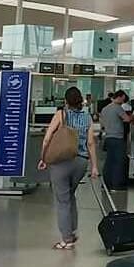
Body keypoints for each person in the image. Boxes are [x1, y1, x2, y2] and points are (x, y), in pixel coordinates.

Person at [41, 86, 99, 251]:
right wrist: (94, 166)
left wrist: (43, 158)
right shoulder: (87, 117)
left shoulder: (61, 114)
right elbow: (90, 143)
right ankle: (72, 231)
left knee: (63, 201)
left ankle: (66, 240)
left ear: (66, 101)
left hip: (61, 162)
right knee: (70, 196)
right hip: (81, 162)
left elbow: (47, 138)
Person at [97, 90, 130, 189]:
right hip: (118, 138)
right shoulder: (117, 108)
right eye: (123, 100)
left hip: (108, 138)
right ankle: (116, 184)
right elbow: (127, 119)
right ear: (120, 97)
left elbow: (102, 124)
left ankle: (106, 183)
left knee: (109, 161)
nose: (123, 102)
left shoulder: (105, 109)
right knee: (118, 162)